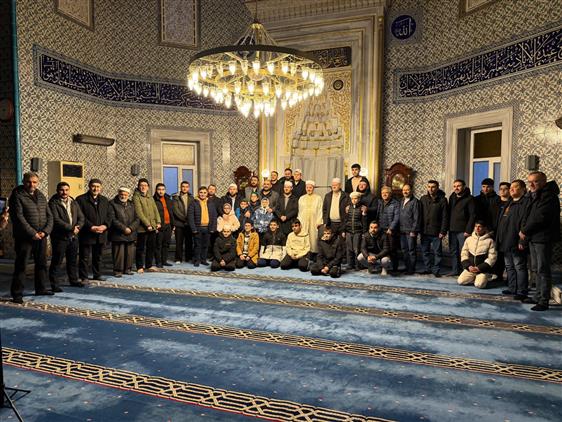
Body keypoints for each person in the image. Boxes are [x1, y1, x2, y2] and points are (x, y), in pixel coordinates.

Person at [9, 172, 54, 303]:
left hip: (41, 236)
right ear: (23, 181)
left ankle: (41, 288)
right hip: (25, 238)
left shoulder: (41, 195)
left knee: (41, 264)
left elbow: (49, 215)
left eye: (34, 182)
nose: (32, 184)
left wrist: (45, 232)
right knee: (22, 266)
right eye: (29, 182)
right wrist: (32, 233)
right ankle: (17, 294)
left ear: (38, 183)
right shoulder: (17, 195)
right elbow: (18, 217)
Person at [519, 171, 560, 311]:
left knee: (543, 269)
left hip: (543, 238)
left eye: (535, 181)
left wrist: (525, 230)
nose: (531, 184)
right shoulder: (535, 194)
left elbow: (540, 217)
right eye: (529, 181)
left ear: (543, 182)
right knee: (536, 269)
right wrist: (524, 230)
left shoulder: (549, 196)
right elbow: (528, 215)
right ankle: (537, 296)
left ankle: (543, 301)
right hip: (533, 237)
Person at [495, 179, 529, 300]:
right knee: (509, 266)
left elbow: (525, 223)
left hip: (515, 241)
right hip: (505, 241)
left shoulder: (525, 203)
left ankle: (522, 291)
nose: (512, 189)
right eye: (511, 187)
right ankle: (512, 288)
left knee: (519, 266)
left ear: (523, 189)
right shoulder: (509, 202)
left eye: (515, 187)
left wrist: (522, 241)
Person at [48, 181, 85, 291]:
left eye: (66, 190)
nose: (64, 192)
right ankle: (54, 284)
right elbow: (56, 219)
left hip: (73, 237)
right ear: (57, 191)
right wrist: (71, 228)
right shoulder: (53, 203)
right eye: (62, 190)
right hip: (60, 237)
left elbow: (81, 217)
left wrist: (78, 227)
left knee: (72, 260)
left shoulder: (73, 202)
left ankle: (73, 280)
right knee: (57, 261)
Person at [77, 178, 111, 282]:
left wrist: (105, 226)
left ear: (101, 188)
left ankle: (97, 274)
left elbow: (109, 215)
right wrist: (91, 227)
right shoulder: (81, 199)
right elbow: (80, 216)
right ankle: (84, 276)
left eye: (98, 187)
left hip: (101, 233)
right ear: (89, 186)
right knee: (84, 257)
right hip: (87, 233)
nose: (95, 189)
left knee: (98, 256)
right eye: (93, 186)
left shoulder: (105, 200)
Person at [108, 187, 139, 277]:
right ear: (118, 194)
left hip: (130, 233)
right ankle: (118, 271)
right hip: (118, 234)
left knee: (130, 253)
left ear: (128, 195)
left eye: (125, 195)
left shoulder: (131, 204)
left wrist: (131, 228)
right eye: (121, 194)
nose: (123, 196)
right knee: (119, 254)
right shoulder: (112, 204)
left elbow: (137, 218)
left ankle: (127, 269)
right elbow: (113, 219)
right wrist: (124, 228)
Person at [419, 180, 448, 277]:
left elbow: (445, 217)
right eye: (429, 187)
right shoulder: (423, 199)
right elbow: (420, 215)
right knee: (425, 252)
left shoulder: (443, 200)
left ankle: (436, 270)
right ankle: (427, 268)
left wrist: (443, 231)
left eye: (433, 187)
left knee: (437, 253)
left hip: (436, 232)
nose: (430, 189)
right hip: (424, 231)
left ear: (437, 188)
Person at [447, 179, 475, 276]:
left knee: (464, 252)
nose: (456, 188)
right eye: (455, 186)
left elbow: (472, 215)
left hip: (463, 230)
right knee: (453, 251)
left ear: (464, 186)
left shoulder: (470, 199)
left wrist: (468, 230)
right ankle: (455, 270)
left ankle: (465, 271)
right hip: (452, 229)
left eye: (458, 186)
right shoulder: (452, 197)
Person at [458, 221, 497, 289]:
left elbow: (492, 258)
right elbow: (464, 253)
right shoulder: (469, 239)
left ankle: (487, 276)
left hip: (482, 270)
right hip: (470, 268)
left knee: (479, 285)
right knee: (461, 281)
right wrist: (468, 266)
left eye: (480, 227)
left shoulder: (490, 241)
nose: (477, 228)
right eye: (476, 226)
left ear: (484, 228)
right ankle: (474, 277)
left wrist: (479, 268)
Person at [133, 178, 161, 273]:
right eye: (141, 185)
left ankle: (148, 265)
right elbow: (139, 212)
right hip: (142, 228)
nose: (143, 187)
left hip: (152, 227)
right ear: (138, 186)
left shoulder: (150, 197)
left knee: (151, 247)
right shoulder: (136, 197)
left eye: (145, 185)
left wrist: (158, 222)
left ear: (148, 187)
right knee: (140, 248)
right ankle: (139, 266)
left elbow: (155, 210)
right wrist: (147, 224)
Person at [188, 186, 218, 267]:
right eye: (201, 192)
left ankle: (203, 260)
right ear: (198, 193)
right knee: (197, 245)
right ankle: (197, 260)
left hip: (208, 228)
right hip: (198, 227)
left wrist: (213, 228)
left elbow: (214, 216)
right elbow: (190, 217)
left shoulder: (210, 203)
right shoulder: (193, 203)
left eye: (204, 192)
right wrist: (193, 228)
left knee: (205, 245)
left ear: (207, 193)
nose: (203, 194)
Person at [377, 186, 400, 273]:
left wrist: (391, 228)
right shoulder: (380, 202)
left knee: (392, 250)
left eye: (386, 193)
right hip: (381, 230)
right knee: (382, 249)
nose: (384, 194)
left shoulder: (395, 203)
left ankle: (395, 268)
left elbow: (397, 217)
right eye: (382, 193)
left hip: (390, 231)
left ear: (390, 194)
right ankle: (383, 267)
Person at [399, 184, 421, 275]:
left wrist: (414, 230)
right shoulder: (401, 200)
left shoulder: (415, 202)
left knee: (411, 250)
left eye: (407, 190)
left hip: (410, 231)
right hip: (402, 230)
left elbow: (417, 217)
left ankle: (411, 269)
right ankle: (406, 267)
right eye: (404, 190)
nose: (405, 191)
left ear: (411, 191)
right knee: (404, 250)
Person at [297, 181, 323, 254]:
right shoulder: (301, 198)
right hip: (303, 221)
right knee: (304, 236)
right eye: (307, 187)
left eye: (310, 187)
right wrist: (299, 222)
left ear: (313, 188)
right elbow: (300, 211)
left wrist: (319, 222)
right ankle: (304, 253)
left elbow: (320, 210)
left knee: (313, 238)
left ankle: (313, 253)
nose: (309, 189)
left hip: (314, 222)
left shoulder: (318, 198)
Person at [343, 192, 367, 270]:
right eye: (352, 199)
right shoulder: (348, 208)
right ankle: (350, 264)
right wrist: (343, 230)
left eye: (355, 198)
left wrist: (364, 232)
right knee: (349, 249)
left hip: (358, 231)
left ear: (359, 199)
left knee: (356, 249)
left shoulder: (362, 208)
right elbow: (345, 220)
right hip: (348, 231)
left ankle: (357, 265)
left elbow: (364, 221)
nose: (354, 200)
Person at [172, 181, 194, 264]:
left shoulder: (191, 197)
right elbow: (175, 210)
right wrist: (185, 219)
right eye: (183, 186)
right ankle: (178, 258)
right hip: (179, 223)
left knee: (189, 242)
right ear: (180, 187)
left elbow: (192, 209)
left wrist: (189, 219)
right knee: (179, 242)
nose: (185, 188)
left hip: (189, 224)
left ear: (189, 188)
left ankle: (188, 257)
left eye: (186, 187)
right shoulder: (176, 197)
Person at [153, 183, 175, 268]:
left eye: (162, 189)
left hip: (168, 225)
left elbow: (171, 212)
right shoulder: (153, 200)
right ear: (156, 190)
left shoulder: (168, 199)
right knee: (158, 245)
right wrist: (155, 225)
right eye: (159, 189)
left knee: (166, 244)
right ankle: (158, 262)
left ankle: (164, 261)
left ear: (165, 190)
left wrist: (173, 224)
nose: (161, 191)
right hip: (159, 226)